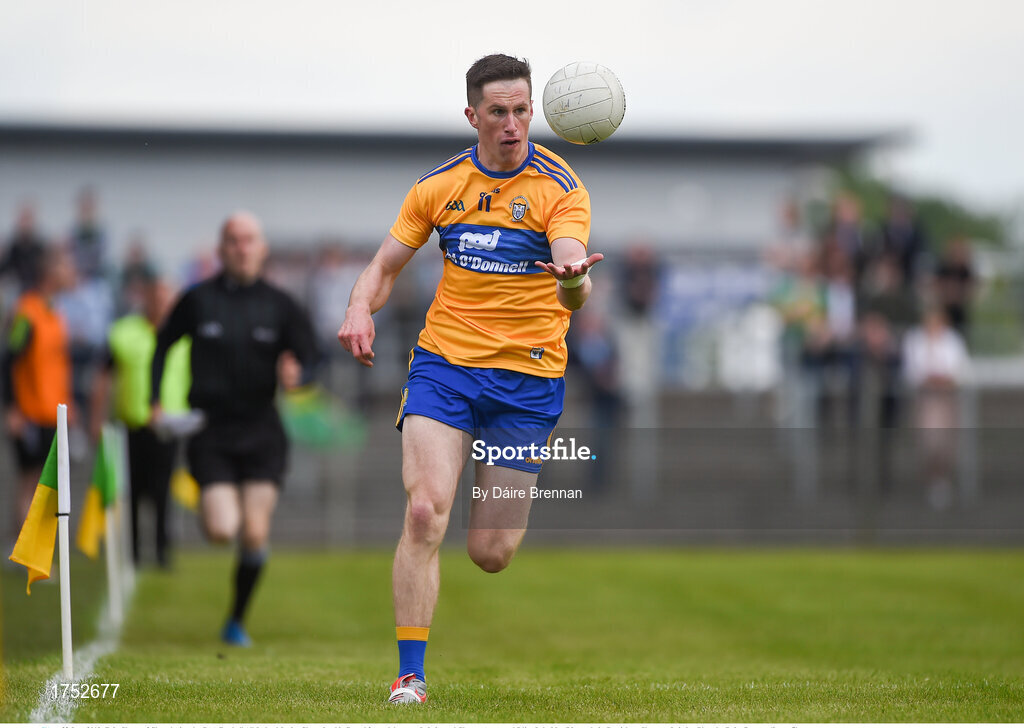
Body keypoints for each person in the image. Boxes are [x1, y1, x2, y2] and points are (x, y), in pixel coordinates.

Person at [337, 53, 602, 704]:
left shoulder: (561, 188)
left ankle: (479, 540)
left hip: (528, 380)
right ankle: (409, 676)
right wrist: (355, 309)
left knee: (491, 550)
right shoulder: (440, 186)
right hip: (444, 367)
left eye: (521, 110)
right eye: (498, 112)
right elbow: (384, 267)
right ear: (472, 116)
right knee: (425, 512)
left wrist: (573, 281)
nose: (512, 124)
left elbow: (573, 274)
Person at [150, 212, 317, 646]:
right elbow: (163, 345)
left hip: (262, 430)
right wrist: (154, 401)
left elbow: (313, 355)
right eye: (234, 240)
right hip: (212, 432)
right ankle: (219, 509)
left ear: (261, 248)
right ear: (222, 249)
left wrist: (300, 371)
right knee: (223, 529)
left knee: (255, 532)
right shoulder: (198, 299)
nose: (242, 247)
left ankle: (236, 620)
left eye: (250, 240)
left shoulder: (280, 304)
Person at [90, 274, 191, 568]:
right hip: (132, 425)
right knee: (131, 490)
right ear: (146, 298)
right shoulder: (123, 332)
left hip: (169, 425)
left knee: (163, 490)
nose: (162, 303)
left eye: (167, 297)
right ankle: (132, 551)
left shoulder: (184, 336)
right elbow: (103, 376)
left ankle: (162, 551)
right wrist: (97, 418)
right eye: (157, 296)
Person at [3, 246, 75, 536]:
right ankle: (23, 551)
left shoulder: (54, 313)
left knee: (42, 483)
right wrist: (12, 408)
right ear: (50, 272)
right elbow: (8, 361)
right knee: (29, 481)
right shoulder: (26, 312)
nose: (71, 273)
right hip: (29, 413)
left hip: (52, 413)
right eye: (66, 266)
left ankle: (27, 547)